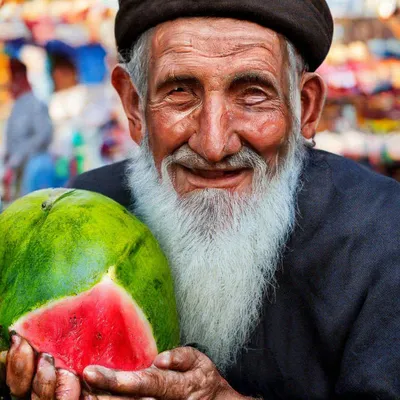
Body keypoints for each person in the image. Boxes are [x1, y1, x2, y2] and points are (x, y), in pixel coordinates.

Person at [3, 0, 400, 399]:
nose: (213, 144)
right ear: (134, 105)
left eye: (253, 94)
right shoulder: (77, 215)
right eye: (179, 92)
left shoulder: (384, 235)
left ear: (306, 107)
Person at [3, 59, 53, 198]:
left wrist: (16, 160)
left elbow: (43, 136)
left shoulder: (36, 104)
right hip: (17, 175)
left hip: (33, 171)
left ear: (20, 78)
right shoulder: (16, 106)